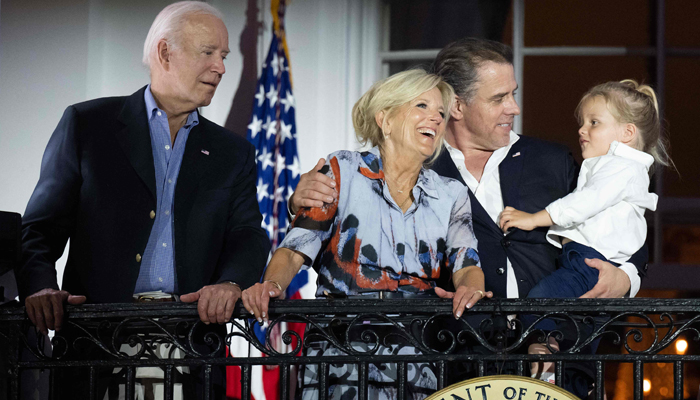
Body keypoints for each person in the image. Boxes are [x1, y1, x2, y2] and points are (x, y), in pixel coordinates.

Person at [288, 38, 649, 397]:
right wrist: (302, 199)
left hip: (554, 368)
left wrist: (626, 277)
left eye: (513, 93)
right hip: (453, 370)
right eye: (499, 98)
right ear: (457, 106)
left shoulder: (553, 160)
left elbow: (623, 216)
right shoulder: (420, 168)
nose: (515, 108)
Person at [17, 2, 270, 397]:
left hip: (192, 343)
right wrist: (39, 287)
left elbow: (247, 235)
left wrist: (232, 282)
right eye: (208, 53)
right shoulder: (87, 125)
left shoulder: (233, 152)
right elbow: (40, 228)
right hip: (95, 343)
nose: (220, 67)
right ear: (165, 52)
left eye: (223, 56)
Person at [243, 69, 490, 400]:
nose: (436, 118)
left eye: (441, 113)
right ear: (385, 119)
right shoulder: (341, 170)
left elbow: (467, 263)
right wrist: (272, 285)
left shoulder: (451, 194)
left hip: (413, 353)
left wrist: (471, 289)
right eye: (421, 106)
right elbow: (294, 249)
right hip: (340, 350)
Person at [499, 79, 670, 382]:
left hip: (589, 263)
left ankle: (547, 355)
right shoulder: (609, 167)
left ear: (628, 133)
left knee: (538, 301)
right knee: (581, 335)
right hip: (586, 261)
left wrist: (534, 218)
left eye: (594, 123)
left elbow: (584, 202)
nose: (582, 129)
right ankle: (566, 372)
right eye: (583, 123)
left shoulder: (621, 168)